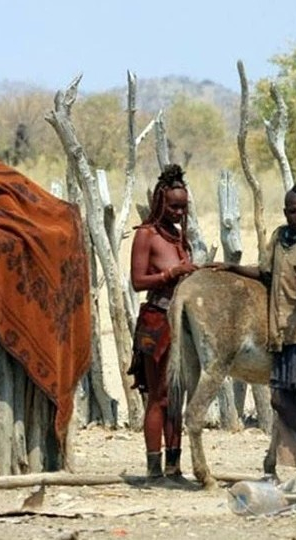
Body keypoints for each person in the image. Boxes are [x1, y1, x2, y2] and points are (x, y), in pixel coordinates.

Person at [215, 184, 296, 475]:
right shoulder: (279, 238)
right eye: (294, 211)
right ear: (285, 212)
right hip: (283, 331)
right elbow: (265, 274)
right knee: (282, 398)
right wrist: (230, 268)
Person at [128, 164, 199, 480]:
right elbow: (137, 281)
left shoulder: (180, 237)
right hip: (156, 321)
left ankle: (174, 466)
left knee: (176, 396)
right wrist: (170, 275)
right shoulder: (147, 235)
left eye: (183, 206)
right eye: (173, 206)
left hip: (181, 323)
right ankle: (154, 469)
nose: (178, 211)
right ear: (159, 202)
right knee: (158, 396)